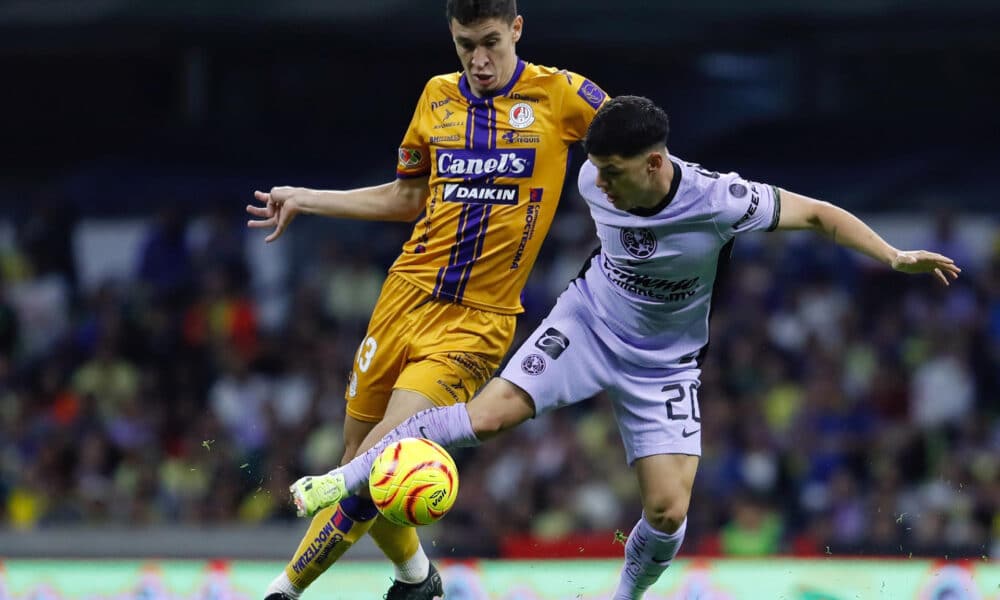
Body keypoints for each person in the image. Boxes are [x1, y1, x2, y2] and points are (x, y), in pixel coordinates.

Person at [289, 95, 961, 598]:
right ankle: (343, 477)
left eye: (614, 173)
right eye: (598, 170)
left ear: (656, 163)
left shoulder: (718, 199)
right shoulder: (592, 178)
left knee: (668, 512)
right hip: (586, 323)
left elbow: (818, 213)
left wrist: (893, 254)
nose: (599, 184)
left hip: (664, 364)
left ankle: (623, 597)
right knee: (487, 417)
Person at [247, 1, 609, 598]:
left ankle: (283, 591)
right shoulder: (436, 96)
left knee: (365, 469)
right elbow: (405, 197)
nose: (479, 59)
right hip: (402, 296)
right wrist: (308, 198)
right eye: (466, 44)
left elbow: (642, 139)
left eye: (491, 41)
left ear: (517, 29)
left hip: (474, 324)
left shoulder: (561, 95)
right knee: (357, 454)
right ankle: (417, 579)